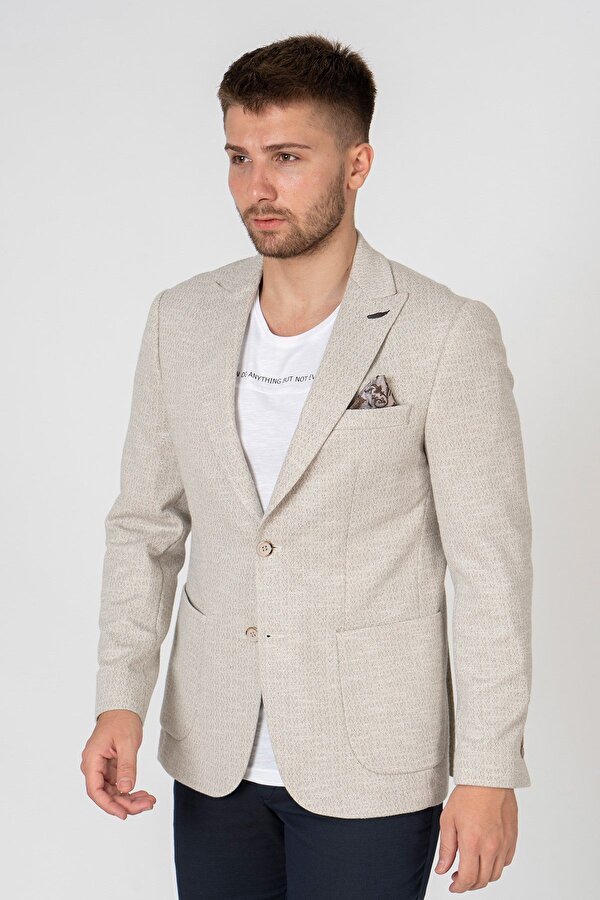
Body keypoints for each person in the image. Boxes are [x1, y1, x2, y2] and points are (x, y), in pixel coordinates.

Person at [81, 33, 533, 899]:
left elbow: (490, 569)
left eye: (288, 157)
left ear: (357, 164)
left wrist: (488, 768)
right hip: (214, 751)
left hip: (372, 761)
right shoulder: (183, 319)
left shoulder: (445, 333)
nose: (259, 187)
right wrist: (119, 697)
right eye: (239, 157)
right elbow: (145, 526)